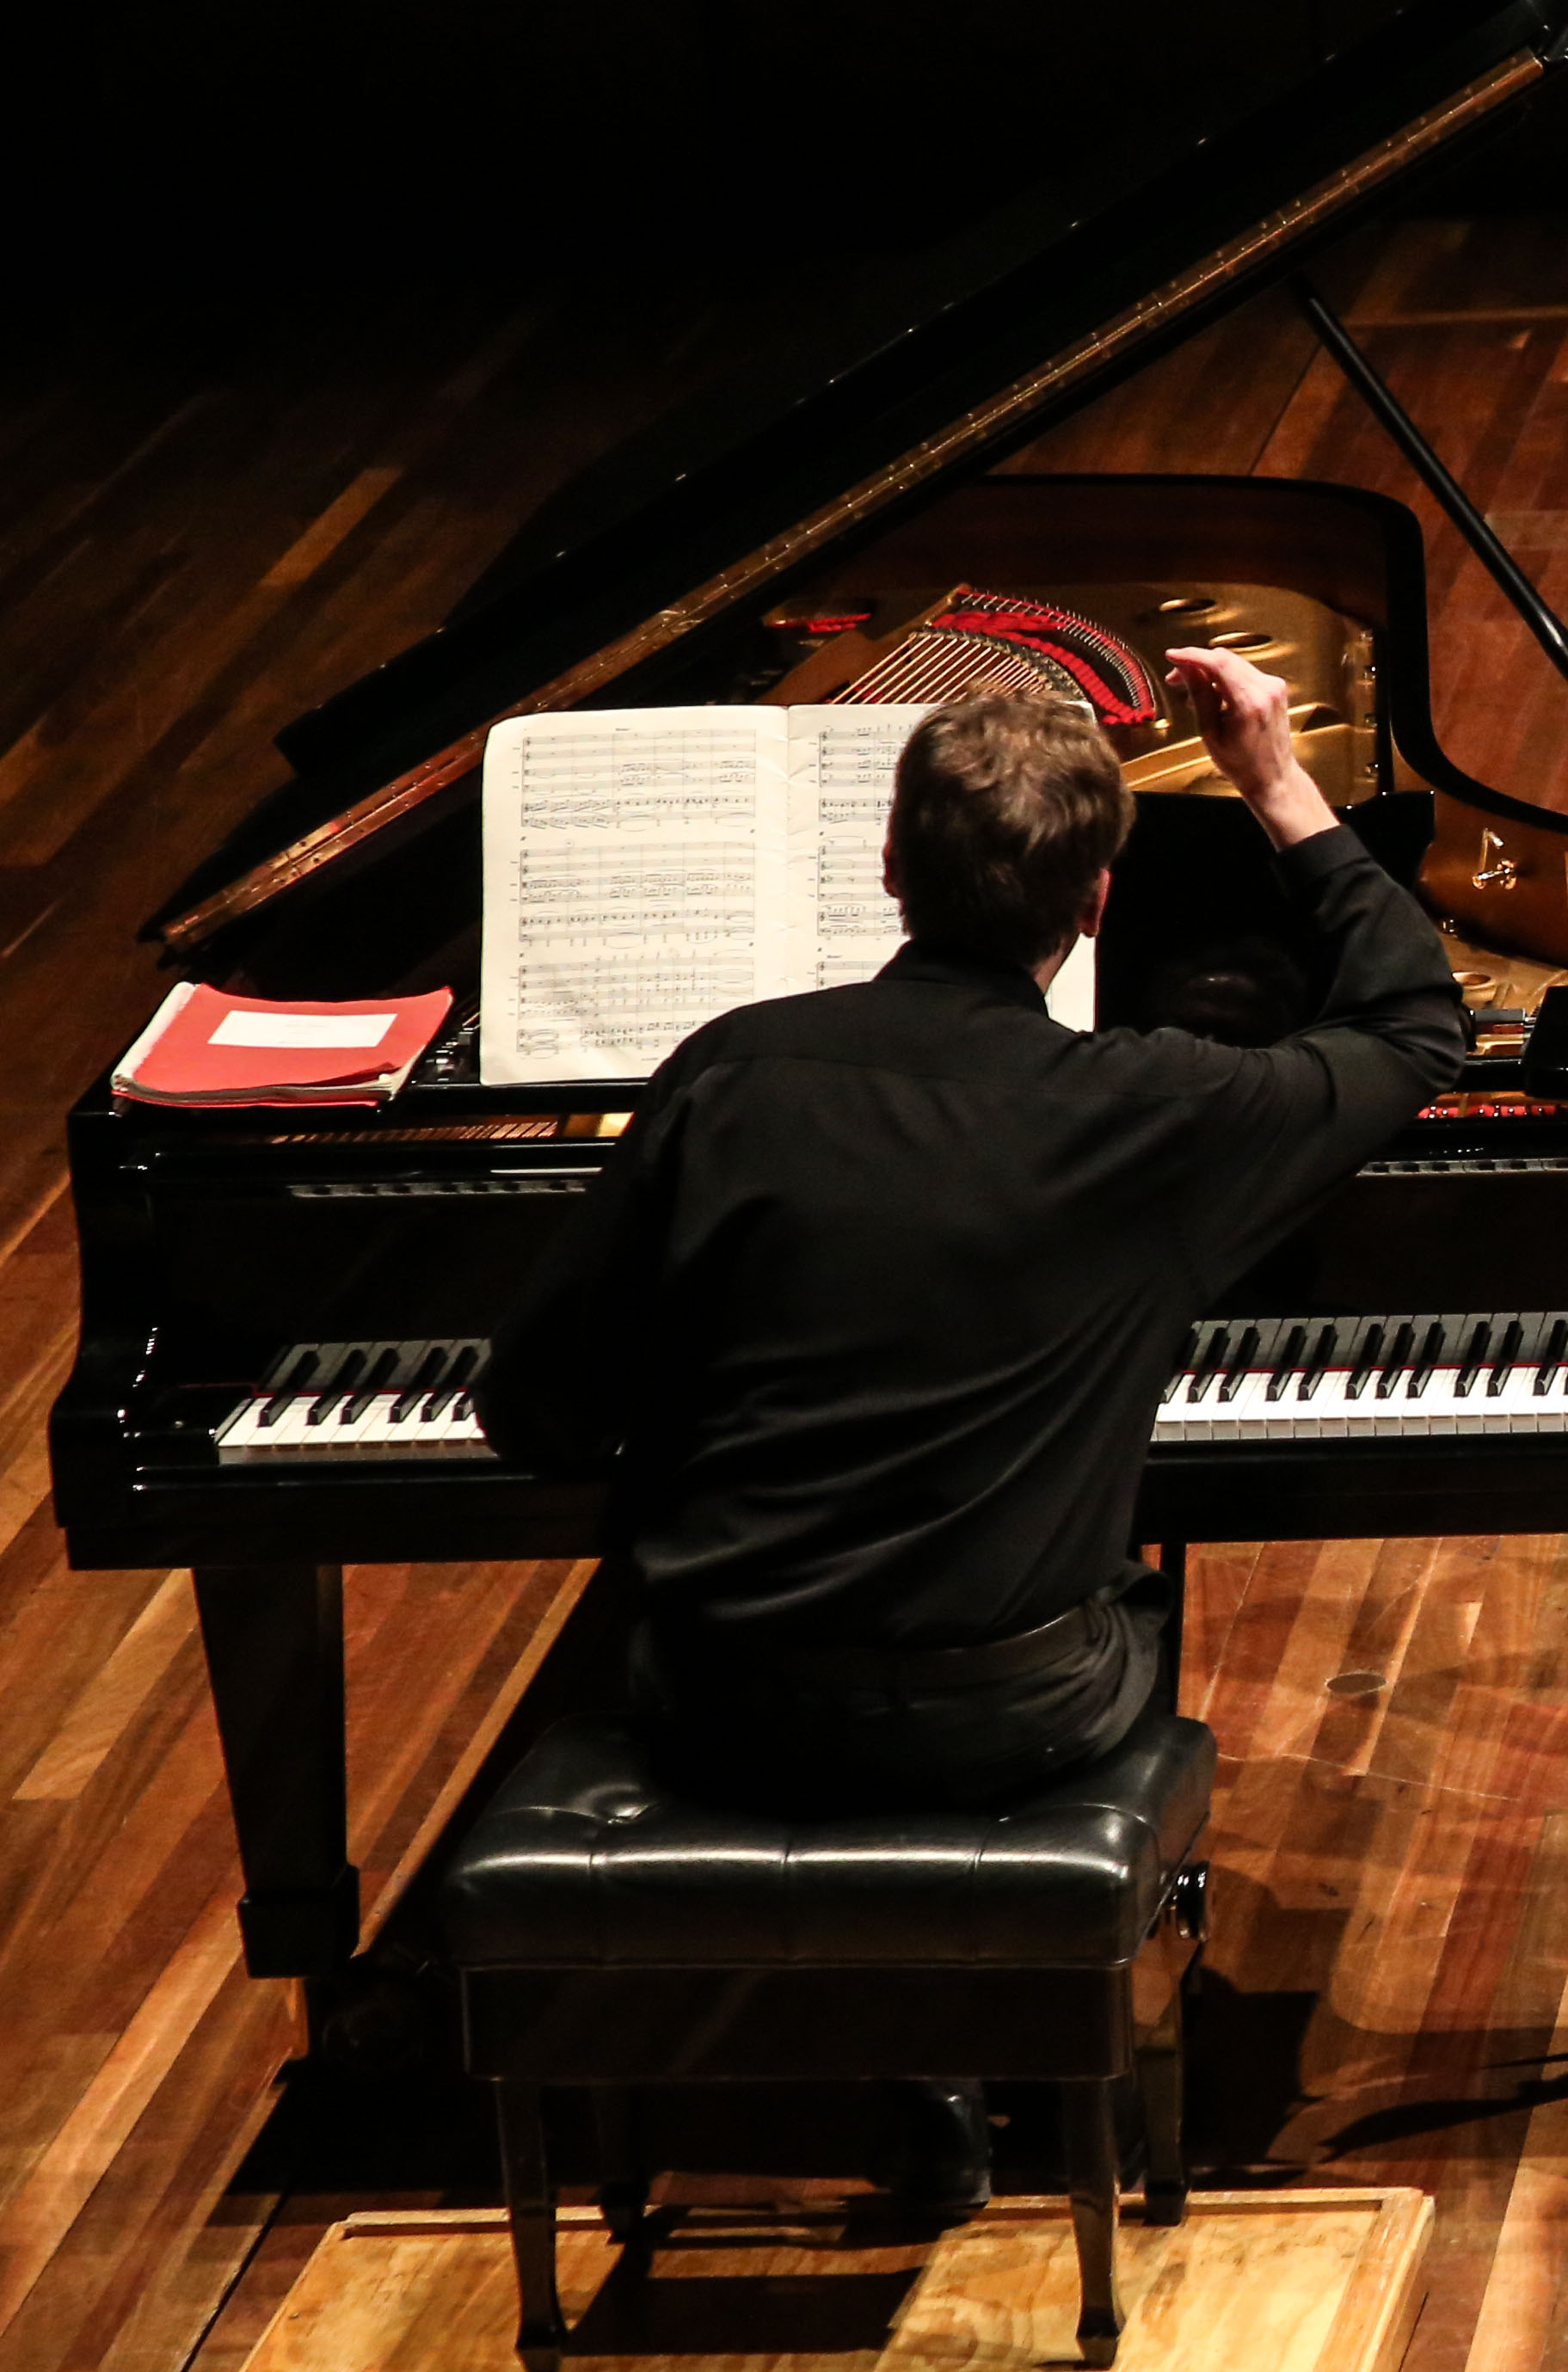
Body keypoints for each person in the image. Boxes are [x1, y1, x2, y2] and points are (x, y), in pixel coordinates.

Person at [483, 659, 1467, 2221]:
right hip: (1017, 1719)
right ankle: (1022, 2041)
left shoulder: (730, 1071)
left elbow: (525, 1407)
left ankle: (835, 2043)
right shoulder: (1158, 1105)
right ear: (1094, 905)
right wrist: (1279, 783)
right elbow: (1419, 1027)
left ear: (888, 871)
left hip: (724, 1704)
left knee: (643, 1623)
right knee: (1135, 1584)